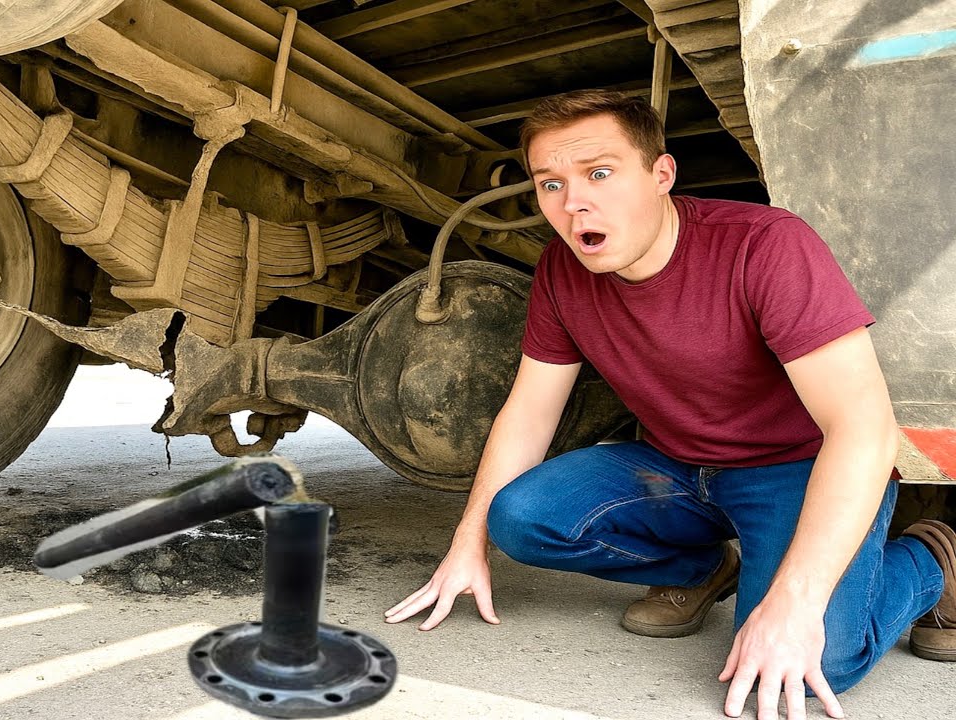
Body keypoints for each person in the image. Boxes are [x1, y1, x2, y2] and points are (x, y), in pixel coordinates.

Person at [383, 89, 955, 720]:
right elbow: (529, 412)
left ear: (661, 175)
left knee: (819, 661)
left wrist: (794, 600)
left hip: (797, 468)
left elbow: (862, 429)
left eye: (599, 174)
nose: (574, 204)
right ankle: (702, 571)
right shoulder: (560, 270)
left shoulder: (762, 246)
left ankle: (934, 559)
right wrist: (470, 542)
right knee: (517, 517)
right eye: (550, 184)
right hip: (676, 469)